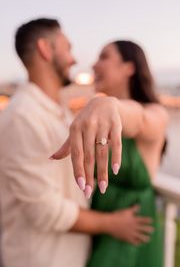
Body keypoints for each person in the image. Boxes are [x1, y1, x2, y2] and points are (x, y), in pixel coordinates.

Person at [0, 19, 153, 267]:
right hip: (41, 259)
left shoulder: (59, 112)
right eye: (68, 48)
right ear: (45, 49)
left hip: (71, 256)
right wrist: (111, 224)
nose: (74, 60)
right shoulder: (21, 116)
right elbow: (44, 210)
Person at [88, 41, 169, 266]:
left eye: (103, 57)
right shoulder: (100, 121)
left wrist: (111, 106)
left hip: (133, 229)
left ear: (129, 68)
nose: (93, 65)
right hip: (102, 223)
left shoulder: (156, 113)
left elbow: (141, 119)